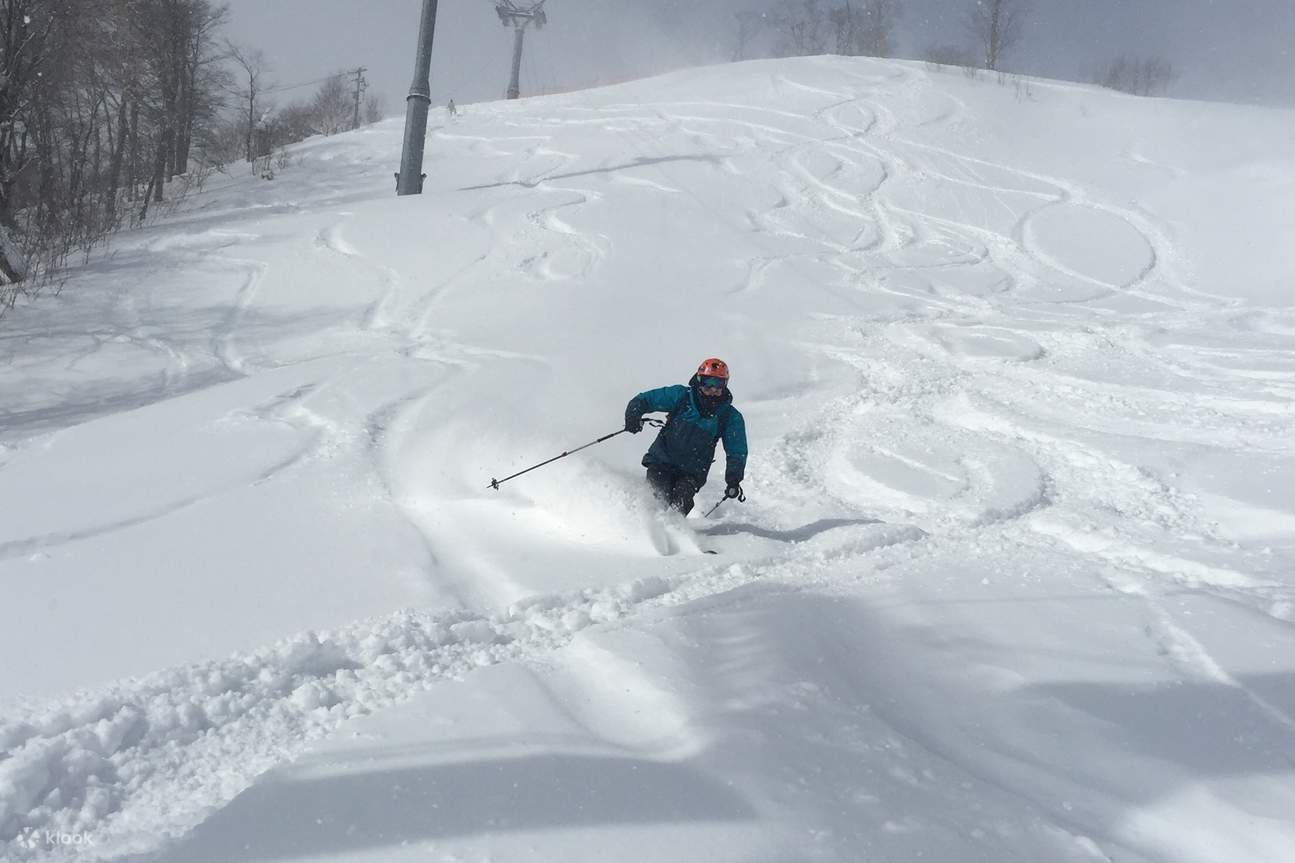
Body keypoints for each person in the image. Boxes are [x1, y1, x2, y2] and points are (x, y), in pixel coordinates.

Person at [624, 358, 748, 515]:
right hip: (662, 461)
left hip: (692, 472)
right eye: (708, 382)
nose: (713, 389)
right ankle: (642, 531)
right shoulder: (682, 396)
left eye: (718, 384)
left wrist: (733, 479)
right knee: (657, 499)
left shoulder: (729, 416)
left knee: (680, 504)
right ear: (699, 380)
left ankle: (672, 533)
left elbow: (737, 450)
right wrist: (633, 415)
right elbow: (645, 400)